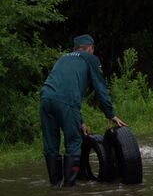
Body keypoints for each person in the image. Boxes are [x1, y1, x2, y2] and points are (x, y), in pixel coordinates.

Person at [40, 34, 127, 187]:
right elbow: (100, 88)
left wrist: (79, 121)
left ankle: (55, 185)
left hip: (45, 99)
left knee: (51, 145)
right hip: (66, 102)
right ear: (90, 48)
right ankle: (68, 189)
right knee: (74, 142)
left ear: (75, 48)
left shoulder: (63, 58)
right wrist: (110, 114)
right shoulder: (90, 58)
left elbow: (63, 88)